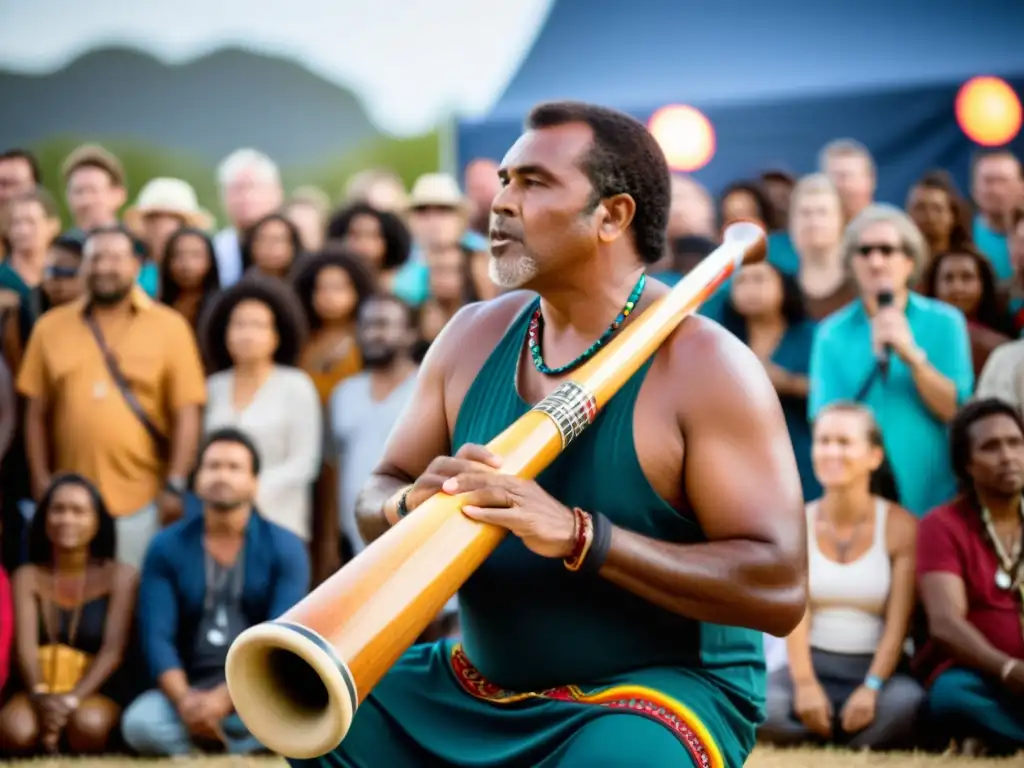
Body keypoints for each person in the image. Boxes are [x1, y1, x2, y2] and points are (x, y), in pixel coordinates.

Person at [291, 101, 807, 768]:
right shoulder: (469, 336)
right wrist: (408, 509)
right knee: (326, 719)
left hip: (651, 693)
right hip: (481, 685)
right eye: (504, 180)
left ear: (612, 216)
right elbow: (376, 495)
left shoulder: (709, 368)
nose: (500, 205)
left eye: (533, 183)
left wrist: (579, 535)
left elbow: (777, 588)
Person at [122, 428, 309, 756]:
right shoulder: (166, 546)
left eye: (234, 468)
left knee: (295, 719)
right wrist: (185, 701)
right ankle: (224, 744)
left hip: (258, 694)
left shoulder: (286, 547)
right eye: (213, 466)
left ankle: (209, 743)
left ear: (254, 482)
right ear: (196, 480)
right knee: (140, 723)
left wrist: (224, 699)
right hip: (186, 692)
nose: (222, 475)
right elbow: (156, 637)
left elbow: (280, 638)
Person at [760, 403, 923, 750]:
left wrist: (872, 687)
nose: (831, 451)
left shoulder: (900, 526)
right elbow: (796, 616)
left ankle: (827, 735)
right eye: (824, 441)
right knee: (764, 707)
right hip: (809, 662)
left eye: (844, 442)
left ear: (874, 456)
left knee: (907, 705)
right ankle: (842, 735)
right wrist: (804, 685)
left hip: (877, 669)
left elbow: (899, 625)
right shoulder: (797, 522)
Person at [916, 399, 1024, 755]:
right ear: (966, 464)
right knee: (953, 696)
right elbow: (946, 624)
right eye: (991, 447)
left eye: (1015, 442)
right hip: (981, 676)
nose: (1008, 456)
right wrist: (1008, 669)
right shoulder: (943, 525)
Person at [0, 474, 135, 755]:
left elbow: (113, 651)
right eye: (58, 510)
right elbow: (23, 648)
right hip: (38, 688)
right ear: (44, 518)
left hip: (95, 690)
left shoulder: (121, 576)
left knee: (87, 727)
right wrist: (41, 696)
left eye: (79, 511)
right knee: (16, 731)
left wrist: (71, 701)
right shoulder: (27, 576)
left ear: (98, 521)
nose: (66, 519)